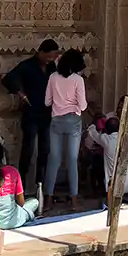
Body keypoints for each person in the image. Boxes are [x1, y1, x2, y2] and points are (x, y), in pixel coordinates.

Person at [1, 38, 60, 193]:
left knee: (45, 150)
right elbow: (8, 79)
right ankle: (21, 187)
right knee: (28, 149)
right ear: (41, 52)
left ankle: (40, 186)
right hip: (31, 112)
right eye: (49, 56)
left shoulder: (51, 67)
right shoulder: (27, 66)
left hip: (46, 114)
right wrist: (21, 94)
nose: (50, 60)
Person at [44, 48, 88, 210]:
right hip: (73, 120)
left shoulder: (53, 77)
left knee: (53, 159)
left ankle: (48, 198)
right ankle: (74, 198)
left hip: (56, 120)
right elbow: (82, 105)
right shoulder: (78, 80)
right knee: (71, 160)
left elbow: (47, 102)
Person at [0, 140, 40, 229]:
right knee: (34, 202)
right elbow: (21, 203)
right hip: (12, 221)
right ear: (2, 155)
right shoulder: (12, 171)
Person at [98, 115, 128, 204]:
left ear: (106, 129)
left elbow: (92, 132)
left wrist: (96, 121)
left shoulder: (105, 138)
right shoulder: (126, 139)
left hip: (114, 186)